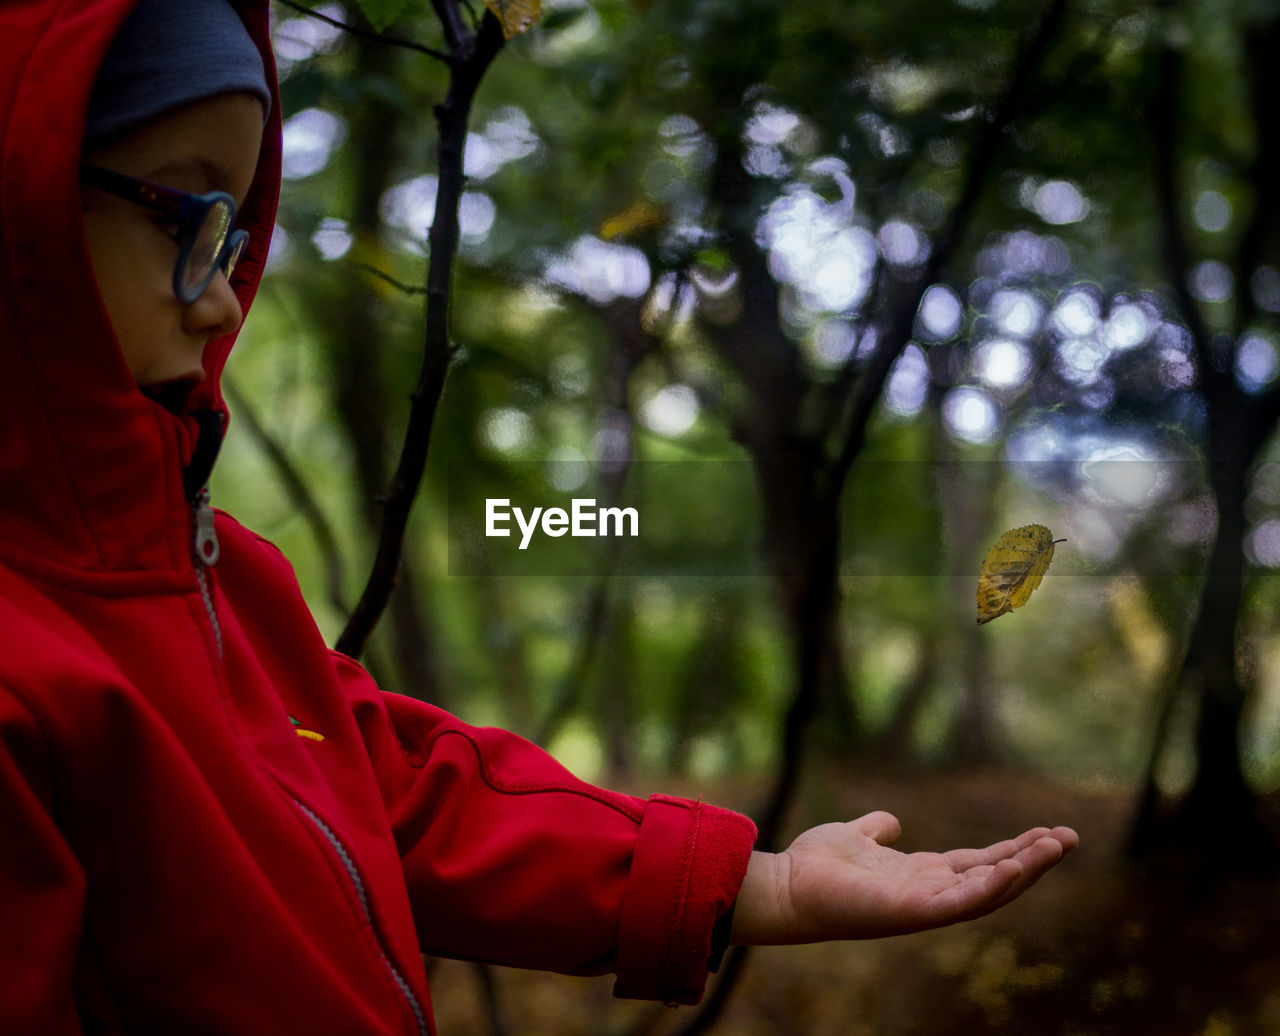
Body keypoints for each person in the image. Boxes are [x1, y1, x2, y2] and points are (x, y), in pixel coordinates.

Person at [0, 0, 1078, 1031]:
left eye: (236, 234)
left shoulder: (217, 578)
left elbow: (402, 795)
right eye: (185, 217)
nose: (225, 294)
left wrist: (756, 885)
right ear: (28, 192)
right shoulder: (27, 661)